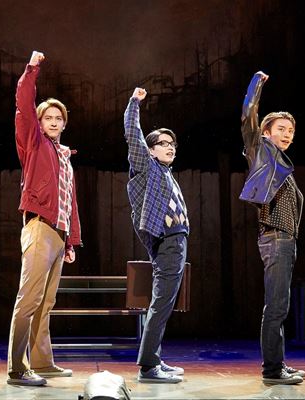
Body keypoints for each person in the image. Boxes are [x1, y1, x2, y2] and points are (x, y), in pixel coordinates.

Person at [7, 50, 82, 386]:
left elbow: (70, 203)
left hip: (59, 233)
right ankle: (17, 368)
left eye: (58, 118)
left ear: (64, 124)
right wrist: (32, 69)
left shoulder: (64, 157)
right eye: (47, 117)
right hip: (39, 227)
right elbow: (24, 104)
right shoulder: (34, 145)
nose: (53, 122)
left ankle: (42, 361)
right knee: (29, 299)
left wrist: (71, 241)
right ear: (39, 123)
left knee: (46, 301)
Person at [239, 71, 305, 385]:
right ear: (266, 132)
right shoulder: (261, 152)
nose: (287, 133)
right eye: (281, 128)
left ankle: (278, 364)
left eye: (291, 130)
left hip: (285, 239)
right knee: (276, 305)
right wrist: (256, 84)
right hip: (275, 237)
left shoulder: (280, 164)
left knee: (281, 305)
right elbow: (247, 117)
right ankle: (272, 370)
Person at [124, 87, 188, 384]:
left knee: (164, 305)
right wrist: (134, 103)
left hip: (176, 241)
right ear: (150, 150)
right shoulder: (146, 167)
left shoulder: (165, 173)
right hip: (168, 241)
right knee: (161, 304)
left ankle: (154, 359)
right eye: (163, 143)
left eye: (172, 143)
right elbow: (132, 134)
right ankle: (149, 366)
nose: (170, 147)